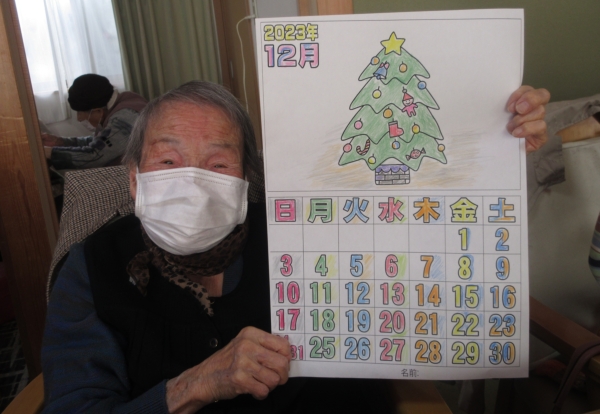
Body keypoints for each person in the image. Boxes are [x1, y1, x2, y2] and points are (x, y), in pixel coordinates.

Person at [41, 81, 550, 413]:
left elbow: (418, 227)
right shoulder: (92, 268)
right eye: (168, 162)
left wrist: (497, 139)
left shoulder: (305, 230)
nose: (193, 183)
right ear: (134, 180)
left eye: (218, 165)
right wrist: (194, 385)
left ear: (246, 182)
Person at [42, 74, 147, 170]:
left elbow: (94, 156)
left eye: (80, 112)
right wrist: (61, 142)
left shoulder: (127, 117)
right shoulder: (123, 101)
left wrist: (49, 153)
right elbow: (101, 141)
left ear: (98, 111)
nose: (79, 118)